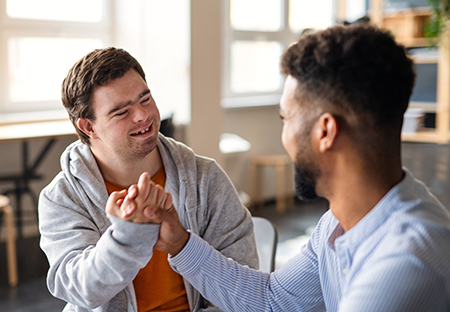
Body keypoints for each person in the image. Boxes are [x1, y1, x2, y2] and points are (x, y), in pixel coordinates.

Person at [113, 24, 450, 311]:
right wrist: (180, 242)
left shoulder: (406, 264)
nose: (283, 134)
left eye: (286, 118)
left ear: (325, 131)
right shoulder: (339, 222)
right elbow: (274, 300)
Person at [38, 47, 258, 312]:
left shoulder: (206, 178)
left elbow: (243, 283)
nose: (143, 115)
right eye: (121, 111)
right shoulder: (62, 197)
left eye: (145, 99)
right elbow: (79, 290)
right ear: (88, 127)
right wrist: (127, 236)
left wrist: (183, 243)